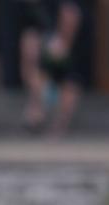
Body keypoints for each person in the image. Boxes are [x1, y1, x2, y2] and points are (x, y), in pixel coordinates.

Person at [21, 0, 83, 136]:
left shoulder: (68, 11)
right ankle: (36, 112)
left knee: (69, 90)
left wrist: (63, 44)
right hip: (45, 65)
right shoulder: (38, 17)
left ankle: (57, 126)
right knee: (37, 76)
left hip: (65, 67)